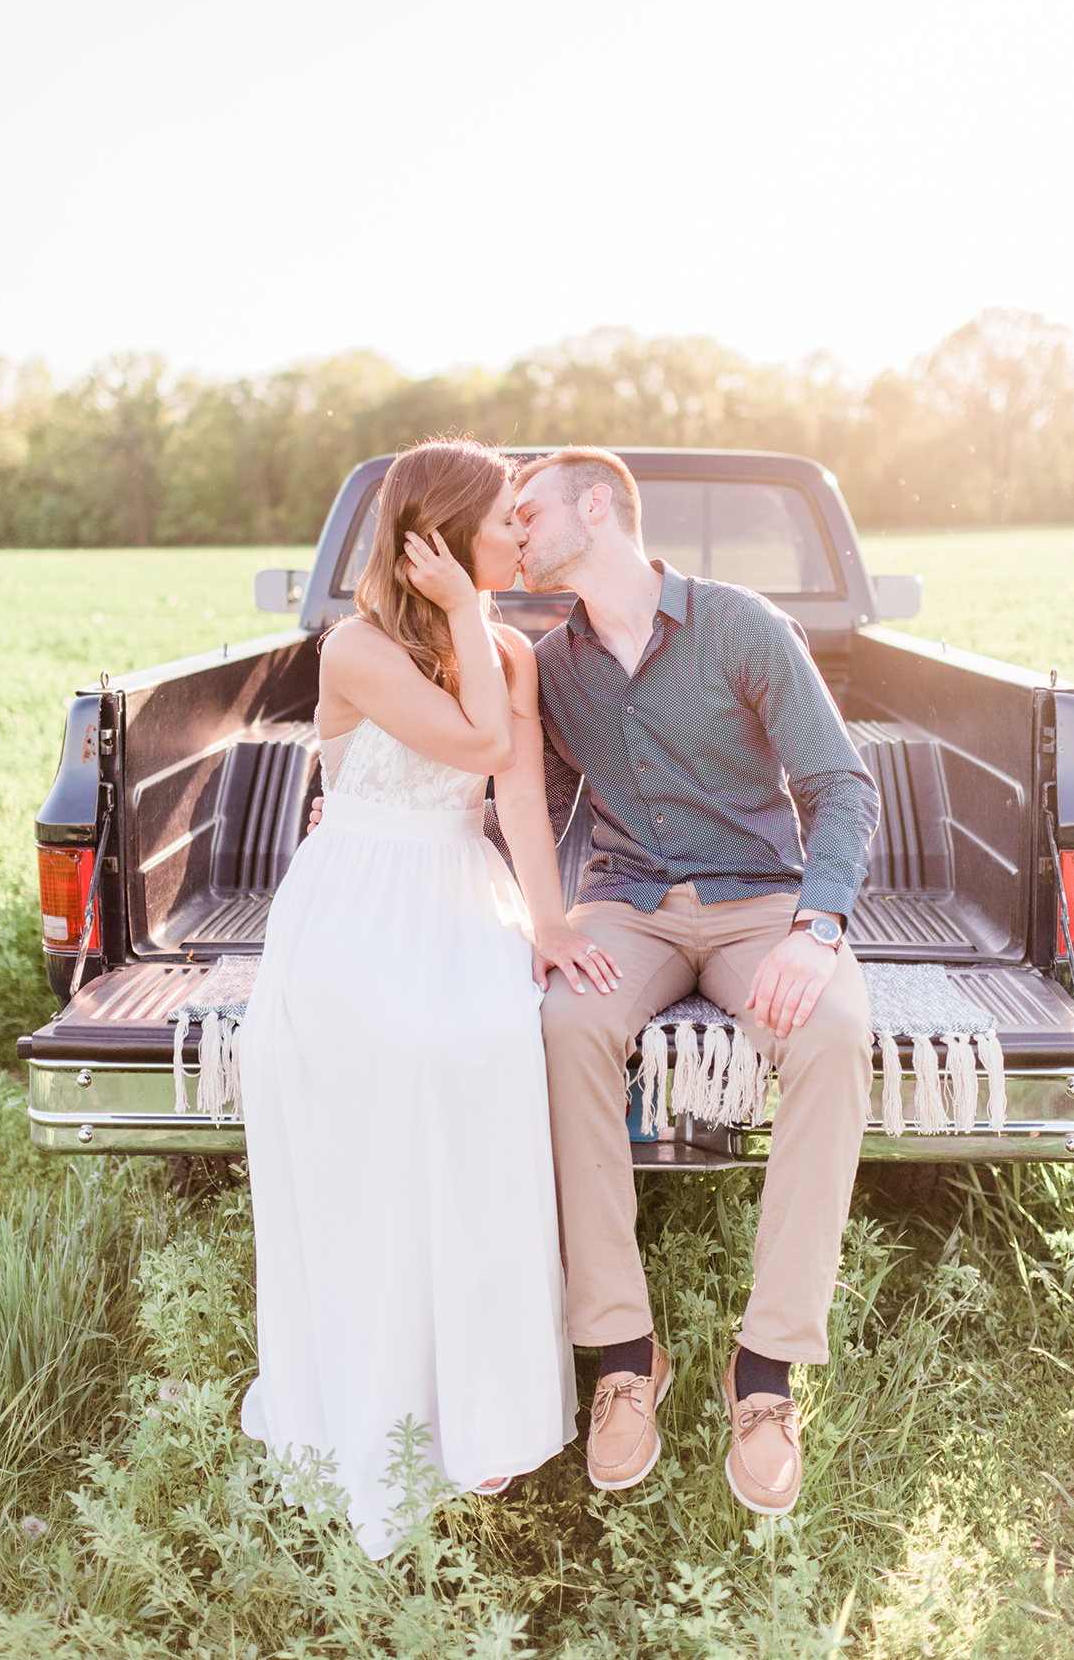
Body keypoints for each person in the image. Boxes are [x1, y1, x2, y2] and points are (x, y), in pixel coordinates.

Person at [238, 438, 620, 1560]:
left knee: (495, 1046)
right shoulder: (356, 648)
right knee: (405, 1060)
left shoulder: (512, 649)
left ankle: (483, 1406)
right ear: (441, 539)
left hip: (460, 885)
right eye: (505, 516)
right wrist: (457, 606)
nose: (522, 533)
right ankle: (383, 1401)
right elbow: (470, 736)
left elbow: (511, 791)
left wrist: (548, 925)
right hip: (359, 898)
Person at [507, 447, 879, 1517]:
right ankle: (625, 1354)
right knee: (567, 1023)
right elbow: (525, 806)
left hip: (763, 901)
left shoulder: (740, 625)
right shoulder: (552, 664)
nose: (515, 532)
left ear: (596, 506)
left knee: (832, 1030)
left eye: (527, 511)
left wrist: (816, 929)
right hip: (626, 905)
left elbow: (838, 786)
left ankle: (764, 1374)